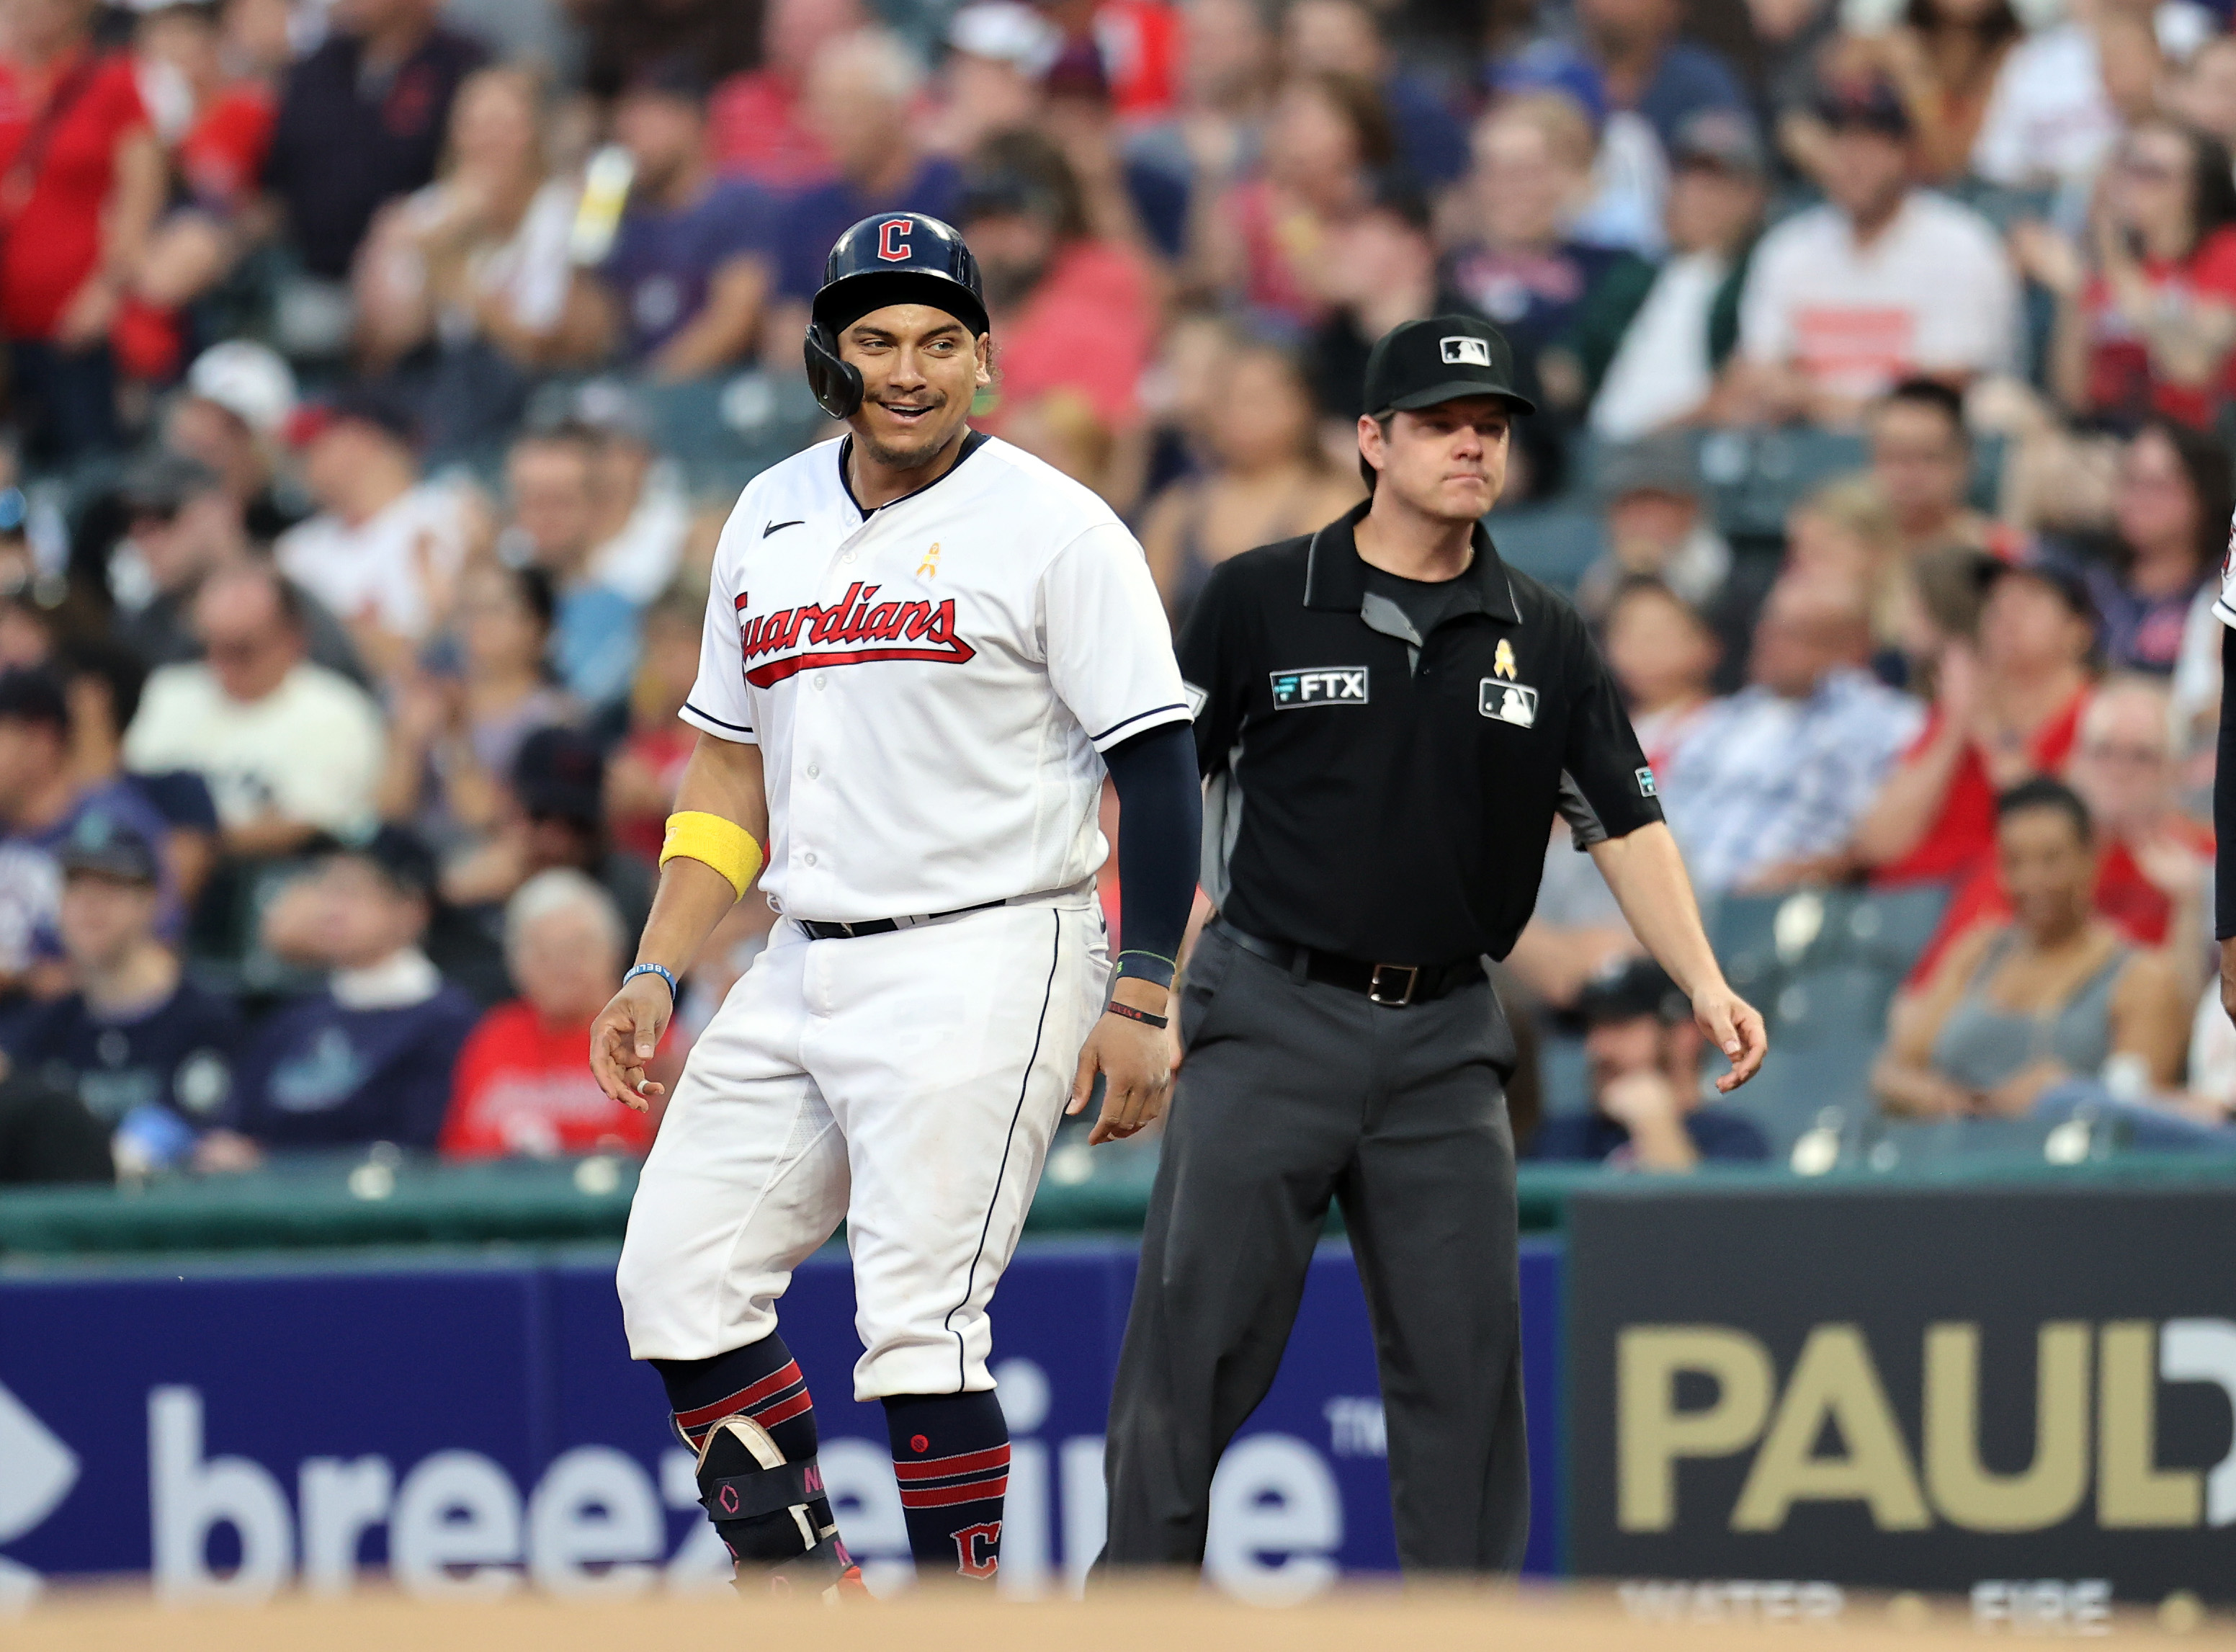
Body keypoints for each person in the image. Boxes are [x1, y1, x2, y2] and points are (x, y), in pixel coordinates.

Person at [1099, 316, 1766, 1579]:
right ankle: (1135, 1614)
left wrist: (1703, 978)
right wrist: (1141, 977)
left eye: (1490, 427)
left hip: (1449, 1036)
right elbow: (1150, 788)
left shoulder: (1545, 627)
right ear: (1370, 440)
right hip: (1268, 1011)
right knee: (1185, 1363)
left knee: (1462, 1383)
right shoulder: (1257, 592)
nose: (1470, 445)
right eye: (1440, 424)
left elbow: (1623, 821)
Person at [591, 212, 1199, 1595]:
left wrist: (1146, 989)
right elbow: (725, 767)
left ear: (983, 360)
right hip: (802, 950)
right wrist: (656, 966)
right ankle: (807, 1593)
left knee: (919, 1321)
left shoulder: (1055, 525)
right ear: (828, 356)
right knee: (675, 1280)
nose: (908, 368)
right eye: (875, 340)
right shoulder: (769, 508)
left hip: (994, 940)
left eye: (938, 341)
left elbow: (1160, 773)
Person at [1876, 779, 2186, 1117]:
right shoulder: (1977, 952)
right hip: (1949, 1153)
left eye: (2051, 859)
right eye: (2015, 861)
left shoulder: (2142, 978)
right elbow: (1892, 1070)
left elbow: (2141, 1114)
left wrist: (2069, 1095)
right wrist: (1952, 1101)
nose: (2031, 880)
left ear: (2090, 859)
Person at [1725, 80, 2018, 427]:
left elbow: (1947, 388)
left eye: (1871, 144)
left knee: (1996, 405)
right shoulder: (1788, 246)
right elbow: (1758, 371)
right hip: (1810, 441)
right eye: (1841, 142)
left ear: (1905, 154)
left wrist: (1810, 398)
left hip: (1923, 450)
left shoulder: (1960, 242)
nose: (1853, 161)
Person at [352, 66, 602, 445]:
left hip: (543, 402)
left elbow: (571, 346)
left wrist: (461, 284)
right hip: (436, 400)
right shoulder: (418, 216)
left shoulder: (572, 209)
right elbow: (381, 351)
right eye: (474, 124)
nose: (488, 140)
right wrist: (435, 253)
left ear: (535, 134)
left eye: (504, 125)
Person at [201, 829, 478, 1164]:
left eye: (353, 892)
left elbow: (414, 1151)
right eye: (328, 888)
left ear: (411, 912)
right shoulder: (292, 1021)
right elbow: (234, 1128)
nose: (332, 909)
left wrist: (271, 1165)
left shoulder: (446, 1023)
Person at [1919, 674, 2214, 980]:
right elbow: (1943, 986)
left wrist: (2192, 901)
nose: (2119, 770)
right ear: (2077, 763)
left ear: (2176, 769)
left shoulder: (2208, 858)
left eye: (2142, 756)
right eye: (2103, 751)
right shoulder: (2027, 857)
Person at [1658, 573, 1924, 892]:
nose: (1769, 644)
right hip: (1667, 900)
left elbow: (1879, 842)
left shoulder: (1888, 722)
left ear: (1852, 646)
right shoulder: (1716, 721)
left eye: (1793, 634)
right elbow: (1659, 813)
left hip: (1771, 910)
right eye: (1767, 627)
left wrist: (1825, 868)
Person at [6, 816, 239, 1173]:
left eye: (111, 888)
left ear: (152, 901)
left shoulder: (206, 1021)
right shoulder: (44, 1028)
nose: (89, 906)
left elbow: (201, 1132)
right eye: (75, 887)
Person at [1858, 555, 2099, 890]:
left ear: (2078, 632)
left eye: (2031, 600)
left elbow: (2057, 833)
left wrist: (1986, 730)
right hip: (1908, 904)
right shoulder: (1955, 713)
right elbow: (1878, 843)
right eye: (1998, 602)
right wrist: (1956, 727)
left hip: (2006, 907)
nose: (2008, 613)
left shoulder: (2101, 717)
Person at [122, 564, 387, 858]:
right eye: (213, 646)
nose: (223, 664)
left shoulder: (337, 710)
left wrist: (194, 842)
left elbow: (299, 827)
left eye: (242, 650)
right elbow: (126, 788)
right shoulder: (168, 692)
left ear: (293, 639)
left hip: (270, 873)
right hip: (149, 865)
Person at [0, 0, 164, 464]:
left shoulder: (111, 82)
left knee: (89, 462)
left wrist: (108, 289)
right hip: (8, 321)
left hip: (78, 317)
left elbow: (141, 194)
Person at [2025, 117, 2236, 431]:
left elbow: (2191, 370)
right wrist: (2074, 296)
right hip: (2110, 433)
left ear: (2196, 188)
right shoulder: (2103, 264)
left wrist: (2115, 261)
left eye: (2151, 173)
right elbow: (2073, 398)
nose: (2129, 183)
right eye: (2125, 167)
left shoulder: (2224, 251)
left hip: (2195, 442)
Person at [1139, 334, 1360, 628]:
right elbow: (1146, 622)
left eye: (1257, 400)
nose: (1239, 415)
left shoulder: (1335, 506)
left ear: (1304, 407)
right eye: (1226, 399)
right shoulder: (1177, 509)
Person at [263, 0, 485, 285]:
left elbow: (481, 177)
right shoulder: (318, 66)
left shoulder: (462, 64)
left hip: (419, 267)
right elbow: (277, 179)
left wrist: (421, 217)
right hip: (306, 267)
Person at [1580, 108, 1768, 442]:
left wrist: (1653, 435)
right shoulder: (1632, 276)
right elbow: (1574, 361)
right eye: (1690, 178)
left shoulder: (1761, 276)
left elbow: (1747, 385)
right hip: (1598, 448)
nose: (1698, 195)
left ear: (1753, 197)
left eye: (1717, 182)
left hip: (1691, 449)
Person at [960, 131, 1158, 447]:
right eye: (983, 219)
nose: (996, 238)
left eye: (1012, 220)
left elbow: (1116, 437)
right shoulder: (964, 312)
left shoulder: (1095, 303)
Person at [442, 870, 657, 1158]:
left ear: (614, 952)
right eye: (542, 952)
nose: (560, 966)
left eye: (577, 949)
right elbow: (457, 1155)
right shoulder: (492, 1037)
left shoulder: (650, 1036)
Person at [596, 61, 779, 380]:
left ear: (689, 121)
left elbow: (736, 319)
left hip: (718, 386)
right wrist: (582, 226)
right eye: (625, 124)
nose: (630, 137)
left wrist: (652, 385)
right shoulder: (622, 216)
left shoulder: (739, 201)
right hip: (632, 383)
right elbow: (593, 329)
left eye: (645, 121)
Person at [0, 668, 175, 996]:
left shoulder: (112, 823)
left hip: (73, 1025)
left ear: (41, 741)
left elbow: (158, 950)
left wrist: (28, 980)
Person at [377, 560, 573, 850]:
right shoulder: (431, 693)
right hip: (415, 853)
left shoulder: (552, 716)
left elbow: (483, 818)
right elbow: (388, 810)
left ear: (539, 627)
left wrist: (454, 736)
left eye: (495, 610)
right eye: (468, 610)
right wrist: (407, 742)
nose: (477, 624)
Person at [770, 32, 963, 323]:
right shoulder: (808, 212)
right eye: (824, 112)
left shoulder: (954, 192)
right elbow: (788, 322)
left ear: (893, 110)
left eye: (847, 111)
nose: (830, 128)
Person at [273, 390, 471, 671]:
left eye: (317, 446)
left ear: (364, 439)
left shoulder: (453, 511)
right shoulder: (296, 548)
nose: (300, 463)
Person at [1529, 957, 1770, 1167]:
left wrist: (1653, 1123)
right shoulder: (1557, 1137)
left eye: (1619, 1025)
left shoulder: (1733, 1139)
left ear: (1686, 1036)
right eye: (1591, 1027)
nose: (1595, 1049)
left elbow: (1699, 1216)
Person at [498, 425, 640, 707]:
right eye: (532, 502)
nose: (545, 518)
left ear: (598, 508)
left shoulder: (631, 616)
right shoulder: (485, 610)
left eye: (561, 502)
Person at [2075, 421, 2227, 677]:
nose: (2137, 499)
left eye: (2157, 485)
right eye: (2130, 481)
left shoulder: (2223, 592)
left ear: (2203, 497)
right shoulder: (2091, 583)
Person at [707, 0, 864, 186]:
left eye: (815, 29)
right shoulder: (738, 103)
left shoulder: (877, 106)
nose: (802, 42)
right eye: (793, 30)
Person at [1575, 432, 1730, 619]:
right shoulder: (1601, 580)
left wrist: (1654, 575)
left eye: (1650, 501)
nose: (1636, 518)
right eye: (1625, 504)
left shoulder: (1728, 579)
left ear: (1688, 508)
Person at [1869, 377, 2005, 566]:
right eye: (1892, 458)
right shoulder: (1851, 555)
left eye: (1928, 457)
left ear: (1963, 461)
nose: (1907, 477)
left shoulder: (1999, 556)